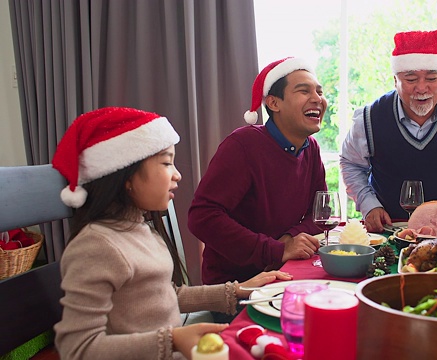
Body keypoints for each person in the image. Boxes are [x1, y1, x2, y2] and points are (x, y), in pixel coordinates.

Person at [52, 107, 291, 359]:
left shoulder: (141, 230)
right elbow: (77, 348)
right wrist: (171, 341)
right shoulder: (96, 246)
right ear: (126, 175)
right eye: (166, 163)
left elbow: (166, 296)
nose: (177, 174)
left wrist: (238, 290)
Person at [189, 57, 326, 288]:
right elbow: (202, 217)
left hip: (283, 275)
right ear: (273, 103)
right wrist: (275, 250)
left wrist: (289, 239)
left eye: (319, 92)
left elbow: (321, 211)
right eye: (304, 91)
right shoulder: (243, 145)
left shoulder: (311, 148)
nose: (317, 99)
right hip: (236, 288)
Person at [340, 29, 437, 232]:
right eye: (411, 80)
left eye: (431, 78)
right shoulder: (370, 116)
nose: (421, 88)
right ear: (395, 81)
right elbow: (351, 163)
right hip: (389, 227)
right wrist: (369, 206)